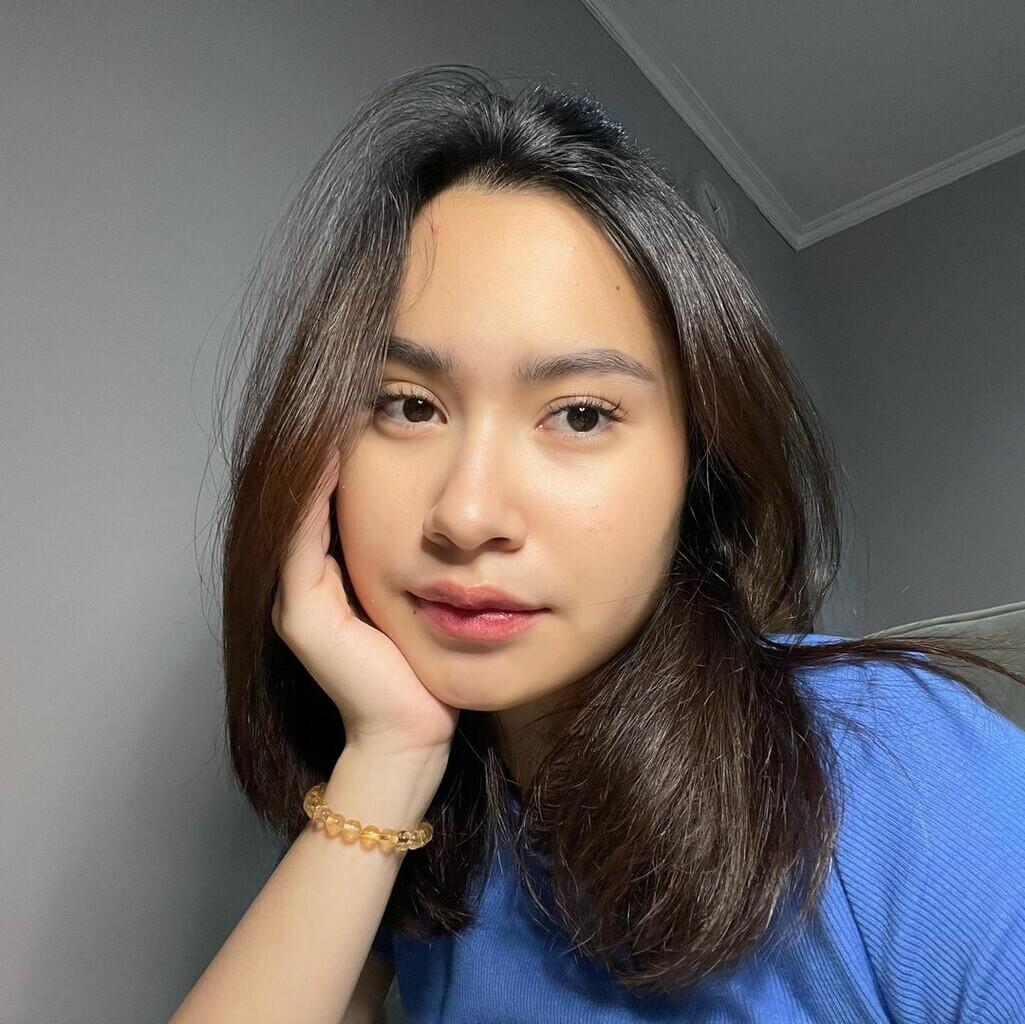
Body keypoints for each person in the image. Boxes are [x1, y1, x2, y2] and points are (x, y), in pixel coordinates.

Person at [172, 64, 1025, 1023]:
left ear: (696, 470)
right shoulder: (415, 830)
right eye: (408, 406)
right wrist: (388, 753)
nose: (466, 514)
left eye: (579, 414)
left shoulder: (882, 755)